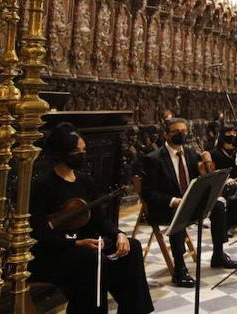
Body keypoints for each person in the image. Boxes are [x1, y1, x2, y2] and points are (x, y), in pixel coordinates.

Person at [28, 123, 154, 314]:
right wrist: (77, 244)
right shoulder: (42, 184)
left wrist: (119, 234)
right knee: (91, 259)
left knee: (132, 247)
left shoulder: (85, 181)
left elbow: (100, 220)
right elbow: (38, 232)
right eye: (76, 151)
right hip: (55, 251)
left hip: (87, 246)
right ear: (62, 152)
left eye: (84, 150)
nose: (82, 155)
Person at [140, 117, 237, 282]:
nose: (181, 135)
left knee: (219, 205)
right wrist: (173, 201)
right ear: (166, 135)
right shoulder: (154, 159)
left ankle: (218, 255)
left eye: (184, 132)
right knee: (178, 211)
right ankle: (179, 269)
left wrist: (208, 165)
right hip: (168, 206)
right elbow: (148, 193)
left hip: (190, 201)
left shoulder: (191, 153)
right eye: (177, 132)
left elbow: (200, 180)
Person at [209, 125, 237, 245]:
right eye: (228, 133)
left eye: (234, 132)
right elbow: (214, 173)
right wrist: (227, 180)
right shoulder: (215, 153)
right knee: (232, 189)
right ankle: (230, 224)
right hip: (222, 182)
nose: (232, 135)